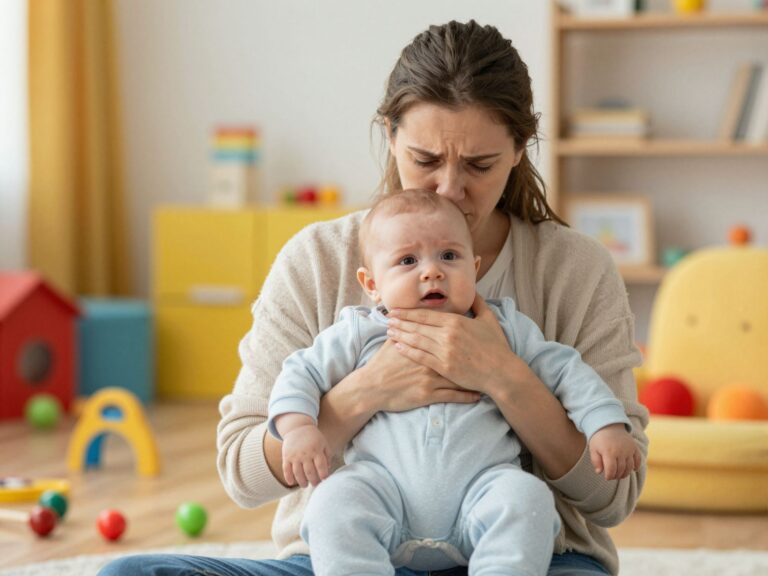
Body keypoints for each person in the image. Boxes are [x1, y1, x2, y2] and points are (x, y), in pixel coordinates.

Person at [98, 19, 648, 576]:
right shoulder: (318, 259)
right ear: (389, 135)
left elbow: (614, 496)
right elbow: (241, 472)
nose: (449, 189)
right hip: (350, 558)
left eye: (479, 165)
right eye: (425, 160)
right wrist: (369, 389)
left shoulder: (574, 270)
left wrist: (502, 377)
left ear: (519, 150)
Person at [269, 189, 641, 576]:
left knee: (526, 496)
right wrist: (297, 429)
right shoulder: (360, 331)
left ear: (475, 268)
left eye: (449, 256)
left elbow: (567, 370)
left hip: (480, 495)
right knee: (334, 499)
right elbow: (300, 372)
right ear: (372, 283)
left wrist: (605, 425)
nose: (432, 271)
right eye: (408, 260)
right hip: (382, 496)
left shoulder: (504, 327)